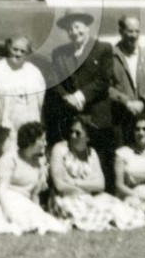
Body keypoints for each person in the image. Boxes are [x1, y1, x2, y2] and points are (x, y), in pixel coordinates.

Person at [0, 121, 70, 235]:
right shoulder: (10, 159)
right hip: (4, 199)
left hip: (25, 202)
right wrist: (6, 210)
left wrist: (38, 211)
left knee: (46, 224)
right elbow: (2, 189)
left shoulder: (39, 163)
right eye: (42, 140)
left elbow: (34, 195)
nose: (45, 143)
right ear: (31, 141)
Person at [48, 119, 145, 232]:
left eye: (78, 133)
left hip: (89, 196)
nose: (73, 135)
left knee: (118, 209)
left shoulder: (91, 153)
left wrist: (74, 182)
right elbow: (60, 185)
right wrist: (86, 188)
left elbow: (100, 185)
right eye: (71, 132)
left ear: (88, 137)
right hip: (64, 197)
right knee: (90, 213)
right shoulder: (60, 149)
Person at [48, 11, 115, 161]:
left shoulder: (103, 48)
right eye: (69, 29)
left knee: (100, 159)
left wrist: (79, 96)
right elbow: (55, 81)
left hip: (97, 118)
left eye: (77, 27)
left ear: (87, 28)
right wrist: (67, 97)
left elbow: (104, 80)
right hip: (71, 115)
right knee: (73, 159)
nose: (74, 32)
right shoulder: (59, 53)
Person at [108, 15, 145, 172]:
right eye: (130, 31)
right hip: (121, 119)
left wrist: (143, 101)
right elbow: (106, 86)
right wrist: (126, 101)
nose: (134, 35)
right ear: (121, 31)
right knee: (122, 161)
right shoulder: (111, 55)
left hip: (144, 117)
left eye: (137, 31)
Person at [0, 34, 46, 158]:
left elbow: (40, 105)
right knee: (6, 161)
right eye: (15, 49)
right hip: (5, 132)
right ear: (8, 48)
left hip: (29, 130)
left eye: (23, 51)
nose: (18, 54)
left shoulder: (35, 73)